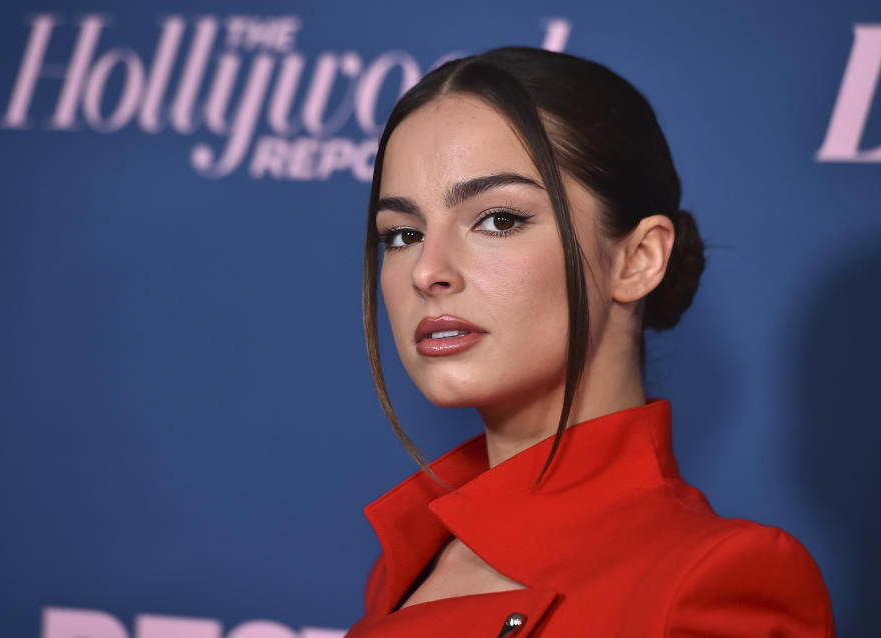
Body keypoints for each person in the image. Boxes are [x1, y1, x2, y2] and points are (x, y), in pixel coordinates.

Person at [345, 47, 835, 637]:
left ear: (638, 259)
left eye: (498, 219)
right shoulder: (407, 562)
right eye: (402, 233)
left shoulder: (714, 580)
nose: (427, 271)